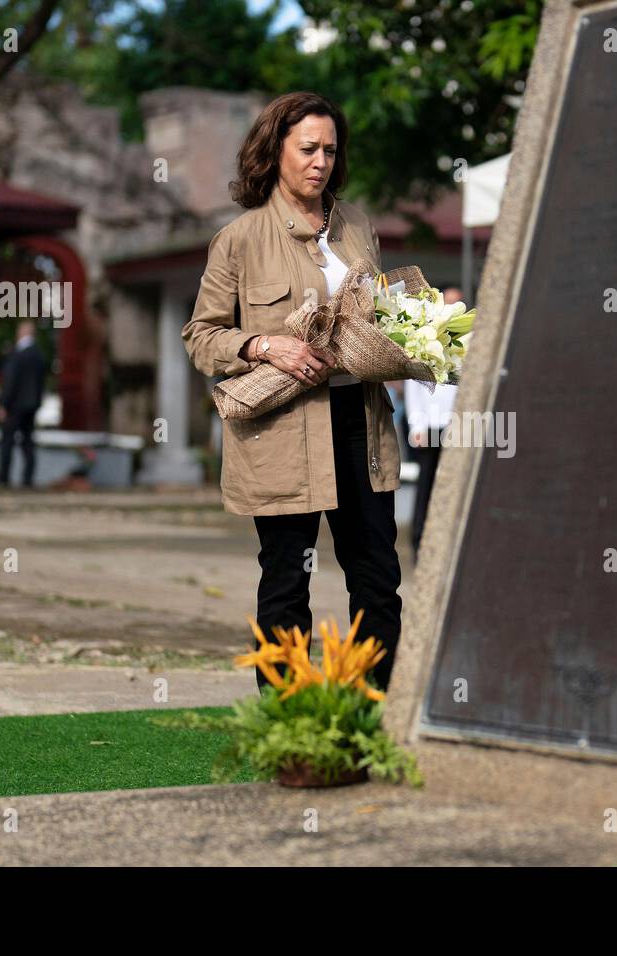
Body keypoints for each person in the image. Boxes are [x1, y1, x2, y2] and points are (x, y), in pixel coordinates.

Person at [181, 91, 403, 694]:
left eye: (331, 150)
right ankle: (287, 724)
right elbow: (201, 337)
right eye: (308, 148)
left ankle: (370, 714)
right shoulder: (240, 240)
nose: (321, 161)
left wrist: (410, 339)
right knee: (286, 582)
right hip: (283, 431)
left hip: (361, 422)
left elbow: (382, 312)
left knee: (378, 580)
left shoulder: (357, 225)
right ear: (275, 149)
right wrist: (263, 346)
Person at [404, 289, 463, 561]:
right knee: (425, 484)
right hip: (430, 427)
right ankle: (419, 544)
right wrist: (417, 425)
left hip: (457, 426)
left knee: (452, 486)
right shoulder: (424, 337)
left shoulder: (467, 342)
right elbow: (414, 386)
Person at [0, 319, 46, 488]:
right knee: (28, 442)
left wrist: (4, 403)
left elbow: (11, 381)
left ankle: (3, 477)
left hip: (15, 405)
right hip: (31, 406)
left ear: (22, 332)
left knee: (8, 441)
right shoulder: (39, 355)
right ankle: (28, 478)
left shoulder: (17, 355)